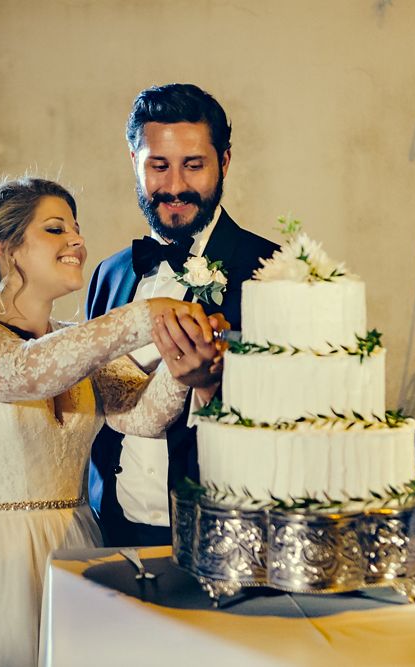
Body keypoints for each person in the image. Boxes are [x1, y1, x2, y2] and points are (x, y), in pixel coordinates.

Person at [0, 177, 223, 667]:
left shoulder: (72, 342)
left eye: (77, 229)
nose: (77, 241)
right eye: (56, 229)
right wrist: (144, 316)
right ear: (6, 248)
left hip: (79, 542)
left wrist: (183, 369)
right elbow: (26, 371)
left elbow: (140, 415)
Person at [86, 83, 278, 547]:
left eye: (193, 165)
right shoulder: (108, 275)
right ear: (133, 159)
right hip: (112, 531)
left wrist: (216, 382)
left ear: (224, 162)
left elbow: (295, 414)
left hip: (224, 532)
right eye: (158, 165)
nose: (174, 186)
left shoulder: (273, 271)